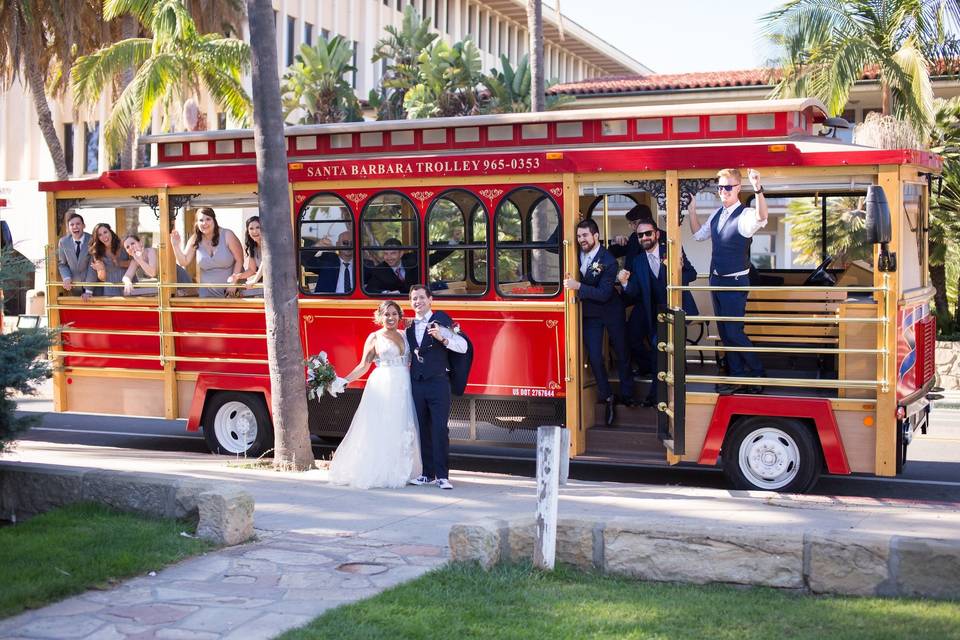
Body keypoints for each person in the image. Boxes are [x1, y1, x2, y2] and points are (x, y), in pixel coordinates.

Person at [327, 300, 423, 489]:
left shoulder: (405, 334)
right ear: (380, 317)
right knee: (381, 426)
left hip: (404, 384)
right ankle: (382, 470)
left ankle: (404, 469)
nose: (391, 318)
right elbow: (364, 365)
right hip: (383, 384)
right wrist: (344, 380)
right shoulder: (375, 337)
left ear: (399, 316)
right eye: (387, 314)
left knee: (403, 425)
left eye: (394, 314)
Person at [688, 168, 768, 394]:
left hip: (734, 282)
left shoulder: (745, 214)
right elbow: (698, 235)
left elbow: (763, 217)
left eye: (728, 187)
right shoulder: (716, 214)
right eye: (720, 187)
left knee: (734, 332)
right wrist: (692, 210)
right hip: (716, 281)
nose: (723, 191)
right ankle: (737, 376)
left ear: (738, 188)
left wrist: (757, 188)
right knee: (724, 332)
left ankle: (758, 373)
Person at [617, 218, 699, 406]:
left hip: (676, 312)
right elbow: (636, 291)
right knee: (657, 351)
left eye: (648, 233)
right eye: (640, 235)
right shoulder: (638, 261)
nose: (644, 237)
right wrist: (624, 283)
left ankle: (661, 397)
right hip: (654, 314)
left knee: (659, 350)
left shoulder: (671, 251)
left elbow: (691, 274)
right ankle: (657, 397)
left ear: (656, 234)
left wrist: (674, 269)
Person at [563, 219, 635, 425]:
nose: (581, 240)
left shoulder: (608, 259)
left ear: (596, 236)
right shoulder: (574, 253)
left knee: (622, 353)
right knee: (594, 357)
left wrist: (578, 286)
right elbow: (555, 242)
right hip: (590, 314)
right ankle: (607, 396)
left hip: (611, 310)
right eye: (578, 236)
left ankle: (627, 394)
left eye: (585, 235)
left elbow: (604, 294)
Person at [406, 284, 467, 490]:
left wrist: (442, 338)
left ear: (430, 300)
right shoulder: (409, 328)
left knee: (440, 428)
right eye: (414, 299)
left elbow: (463, 346)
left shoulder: (441, 321)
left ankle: (442, 476)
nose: (418, 302)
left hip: (439, 382)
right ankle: (427, 474)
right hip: (418, 383)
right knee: (422, 428)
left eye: (422, 298)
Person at [170, 207, 243, 298]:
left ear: (214, 220)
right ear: (197, 223)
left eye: (208, 219)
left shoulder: (227, 234)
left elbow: (239, 260)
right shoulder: (195, 239)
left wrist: (233, 285)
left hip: (231, 293)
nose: (204, 223)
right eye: (201, 220)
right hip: (206, 294)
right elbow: (183, 261)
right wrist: (175, 245)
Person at [121, 234, 193, 296]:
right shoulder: (135, 261)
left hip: (178, 276)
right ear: (128, 252)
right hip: (167, 282)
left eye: (132, 243)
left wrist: (139, 260)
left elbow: (152, 273)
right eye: (127, 247)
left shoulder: (150, 251)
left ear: (140, 243)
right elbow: (127, 276)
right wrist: (127, 282)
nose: (131, 247)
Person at [88, 223, 130, 297]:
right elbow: (102, 278)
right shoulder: (97, 252)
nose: (104, 236)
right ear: (97, 238)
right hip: (111, 289)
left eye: (105, 232)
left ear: (110, 232)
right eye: (100, 235)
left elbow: (135, 263)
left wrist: (120, 263)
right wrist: (102, 269)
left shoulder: (123, 244)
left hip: (129, 285)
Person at [57, 212, 93, 298]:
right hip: (74, 288)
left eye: (78, 224)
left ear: (83, 226)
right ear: (68, 228)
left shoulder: (92, 240)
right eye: (71, 224)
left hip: (93, 287)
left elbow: (93, 266)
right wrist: (66, 278)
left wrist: (89, 290)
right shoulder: (63, 242)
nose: (75, 227)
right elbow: (62, 264)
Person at [228, 216, 264, 297]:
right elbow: (251, 270)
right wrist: (238, 276)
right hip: (263, 285)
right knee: (243, 293)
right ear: (248, 231)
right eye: (251, 228)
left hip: (275, 285)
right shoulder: (253, 247)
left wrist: (254, 280)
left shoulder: (268, 245)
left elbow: (264, 263)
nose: (254, 231)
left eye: (258, 227)